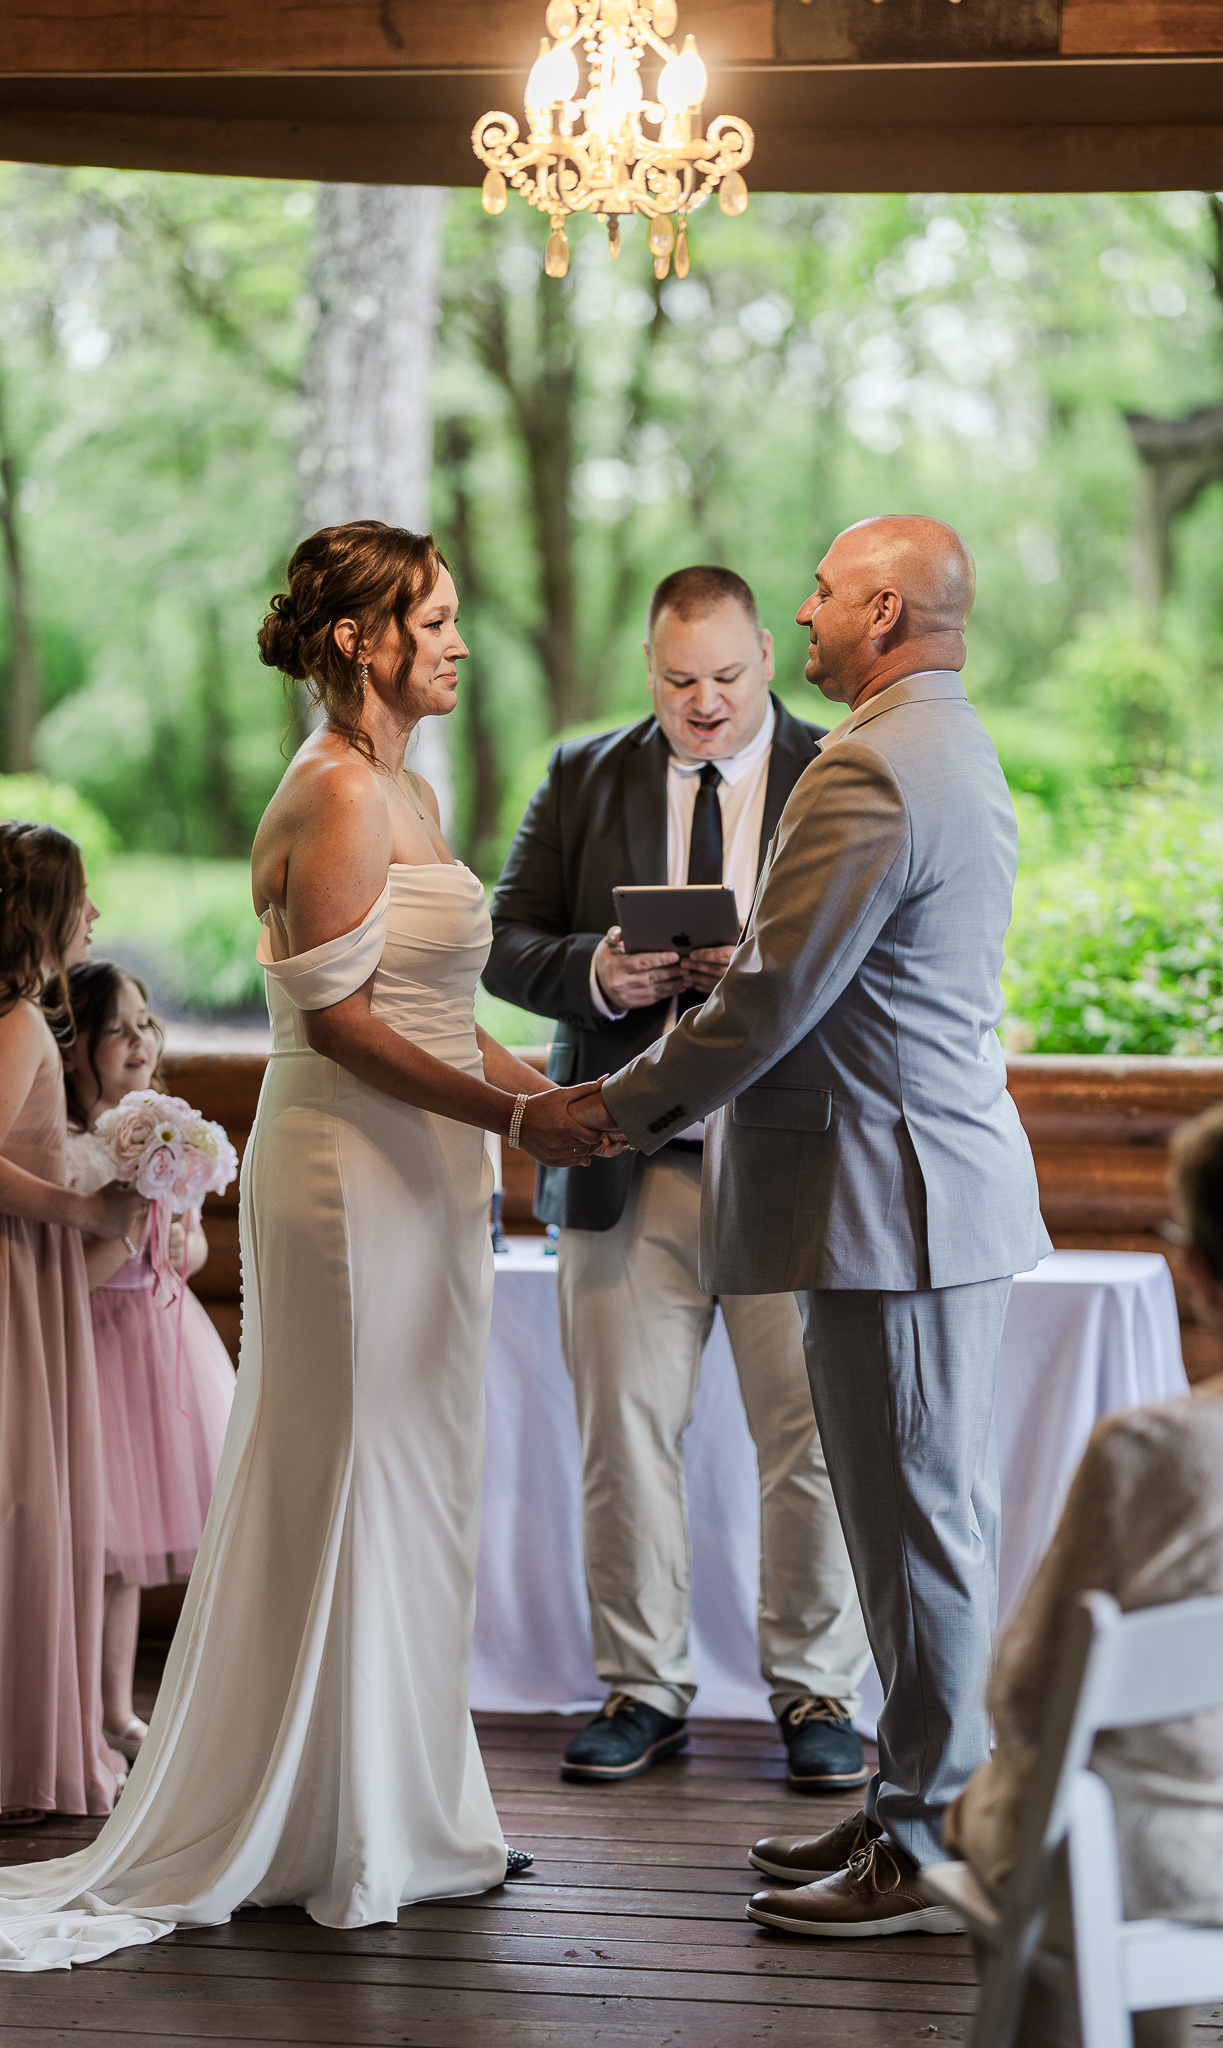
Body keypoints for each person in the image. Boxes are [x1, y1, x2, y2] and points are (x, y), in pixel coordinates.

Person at [0, 519, 616, 1971]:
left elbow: (435, 1007)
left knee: (413, 1477)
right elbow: (339, 1024)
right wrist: (518, 1127)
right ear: (360, 639)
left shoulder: (407, 782)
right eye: (438, 618)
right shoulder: (336, 793)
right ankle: (324, 1822)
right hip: (345, 1177)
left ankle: (402, 1803)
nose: (462, 641)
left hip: (424, 1170)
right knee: (345, 1473)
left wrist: (551, 1096)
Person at [573, 516, 1052, 1935]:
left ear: (887, 608)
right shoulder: (946, 741)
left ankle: (929, 1842)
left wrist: (613, 1108)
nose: (808, 612)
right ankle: (908, 1801)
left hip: (887, 1203)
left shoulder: (869, 766)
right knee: (915, 1524)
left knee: (916, 1534)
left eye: (829, 596)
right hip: (909, 1193)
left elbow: (775, 999)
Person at [486, 565, 871, 1790]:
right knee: (623, 1432)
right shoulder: (580, 772)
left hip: (790, 1157)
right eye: (676, 679)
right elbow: (499, 938)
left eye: (725, 676)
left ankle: (817, 1691)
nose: (702, 705)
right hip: (623, 1166)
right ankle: (641, 1684)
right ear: (646, 665)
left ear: (767, 653)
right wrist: (601, 973)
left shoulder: (843, 770)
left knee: (808, 1438)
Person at [946, 1089, 1223, 2048]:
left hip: (1161, 1859)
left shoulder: (1151, 1449)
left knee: (1010, 1814)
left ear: (1197, 1271)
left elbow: (1028, 1694)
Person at [0, 821, 145, 1828]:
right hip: (14, 1270)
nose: (94, 913)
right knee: (26, 1511)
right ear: (44, 913)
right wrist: (85, 1211)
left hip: (31, 1268)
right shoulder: (14, 1021)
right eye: (80, 897)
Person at [60, 961, 237, 1771]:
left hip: (158, 1344)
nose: (139, 1040)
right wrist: (128, 1227)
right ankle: (59, 1704)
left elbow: (193, 1246)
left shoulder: (168, 1127)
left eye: (145, 1024)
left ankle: (113, 1706)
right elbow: (66, 1280)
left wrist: (180, 1238)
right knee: (81, 1539)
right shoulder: (71, 1147)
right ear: (78, 1050)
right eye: (117, 1029)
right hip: (89, 1344)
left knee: (126, 1551)